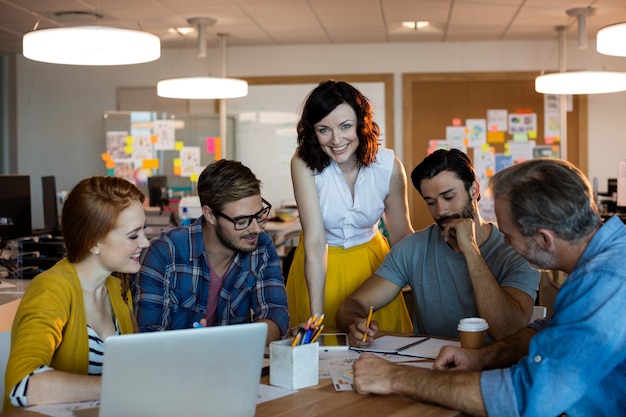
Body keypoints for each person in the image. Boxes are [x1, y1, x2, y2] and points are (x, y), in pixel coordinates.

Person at [352, 158, 626, 416]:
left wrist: (394, 377)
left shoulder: (607, 281)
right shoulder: (609, 258)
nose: (505, 243)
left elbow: (523, 398)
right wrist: (482, 357)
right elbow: (554, 329)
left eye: (508, 236)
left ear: (544, 239)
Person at [337, 148, 539, 343]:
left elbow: (507, 332)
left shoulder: (516, 251)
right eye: (430, 202)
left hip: (492, 370)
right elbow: (353, 305)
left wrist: (470, 250)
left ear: (474, 190)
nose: (441, 210)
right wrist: (355, 323)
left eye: (449, 197)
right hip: (430, 367)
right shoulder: (413, 249)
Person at [3, 176, 149, 410]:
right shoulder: (52, 288)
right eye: (133, 235)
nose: (146, 242)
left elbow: (130, 369)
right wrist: (114, 385)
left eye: (144, 230)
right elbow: (23, 384)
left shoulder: (117, 286)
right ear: (93, 242)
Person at [286, 80, 414, 332]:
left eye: (346, 126)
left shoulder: (388, 166)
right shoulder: (303, 163)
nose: (336, 140)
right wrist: (316, 318)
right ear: (312, 131)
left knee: (378, 347)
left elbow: (402, 237)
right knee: (320, 352)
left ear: (361, 124)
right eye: (324, 130)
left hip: (372, 269)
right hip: (318, 267)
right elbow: (314, 240)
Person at [134, 159, 289, 344]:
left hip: (236, 365)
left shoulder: (261, 247)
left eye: (259, 216)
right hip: (175, 369)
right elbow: (149, 337)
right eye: (241, 221)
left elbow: (276, 316)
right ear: (210, 215)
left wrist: (220, 343)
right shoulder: (163, 254)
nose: (256, 229)